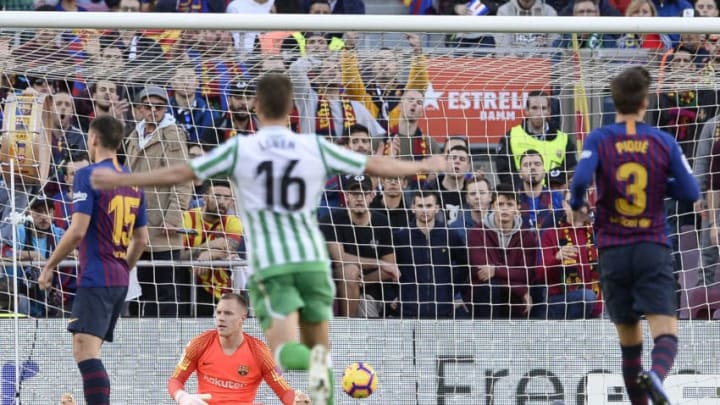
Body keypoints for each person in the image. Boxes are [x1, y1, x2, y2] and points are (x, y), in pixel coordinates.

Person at [89, 72, 446, 405]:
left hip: (273, 265)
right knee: (319, 353)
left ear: (256, 106)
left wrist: (122, 180)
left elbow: (182, 171)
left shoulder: (241, 149)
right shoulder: (314, 146)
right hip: (312, 261)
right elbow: (372, 165)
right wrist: (421, 166)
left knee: (285, 356)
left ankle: (315, 360)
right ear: (292, 107)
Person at [570, 66, 700, 405]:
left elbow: (581, 177)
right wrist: (660, 183)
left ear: (613, 100)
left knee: (630, 347)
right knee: (666, 334)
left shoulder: (600, 138)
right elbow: (690, 190)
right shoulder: (662, 141)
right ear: (646, 100)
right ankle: (656, 377)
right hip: (650, 247)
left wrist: (577, 203)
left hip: (613, 251)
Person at [37, 116, 149, 405]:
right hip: (118, 279)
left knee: (85, 353)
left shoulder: (88, 175)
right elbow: (142, 239)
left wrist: (49, 265)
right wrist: (125, 267)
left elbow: (77, 231)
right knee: (90, 352)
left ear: (93, 139)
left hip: (96, 277)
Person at [168, 293, 310, 405]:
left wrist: (296, 401)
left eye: (228, 313)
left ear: (242, 318)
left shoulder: (260, 352)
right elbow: (175, 380)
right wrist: (182, 397)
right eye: (218, 313)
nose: (221, 318)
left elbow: (284, 392)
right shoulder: (199, 343)